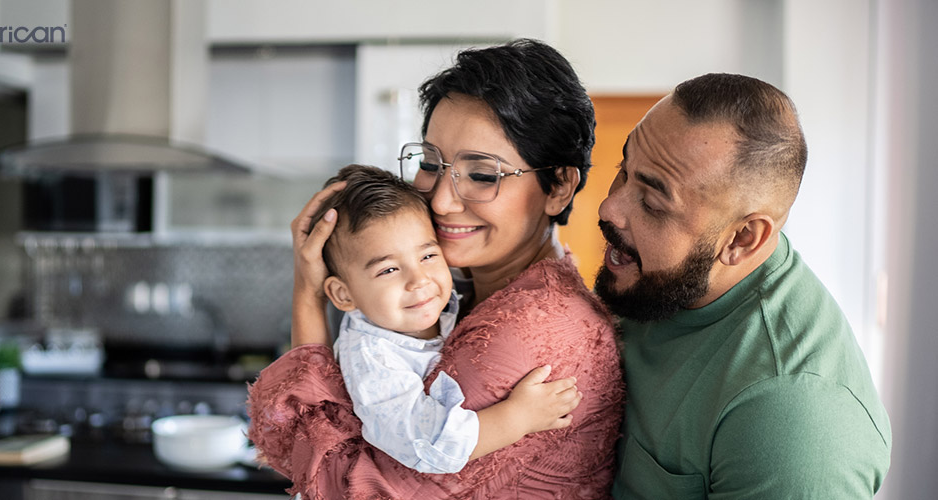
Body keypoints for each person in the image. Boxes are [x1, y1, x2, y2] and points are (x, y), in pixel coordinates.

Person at [247, 39, 624, 499]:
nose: (441, 201)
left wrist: (307, 297)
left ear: (559, 185)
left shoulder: (525, 331)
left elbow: (345, 487)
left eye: (483, 174)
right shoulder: (458, 294)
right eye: (430, 163)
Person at [595, 73, 892, 498]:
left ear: (741, 240)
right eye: (624, 170)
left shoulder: (794, 420)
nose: (610, 208)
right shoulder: (659, 279)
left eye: (653, 203)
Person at [310, 164, 578, 475]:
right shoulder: (373, 362)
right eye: (388, 270)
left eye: (427, 256)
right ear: (344, 295)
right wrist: (517, 417)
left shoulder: (421, 301)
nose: (419, 280)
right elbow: (427, 444)